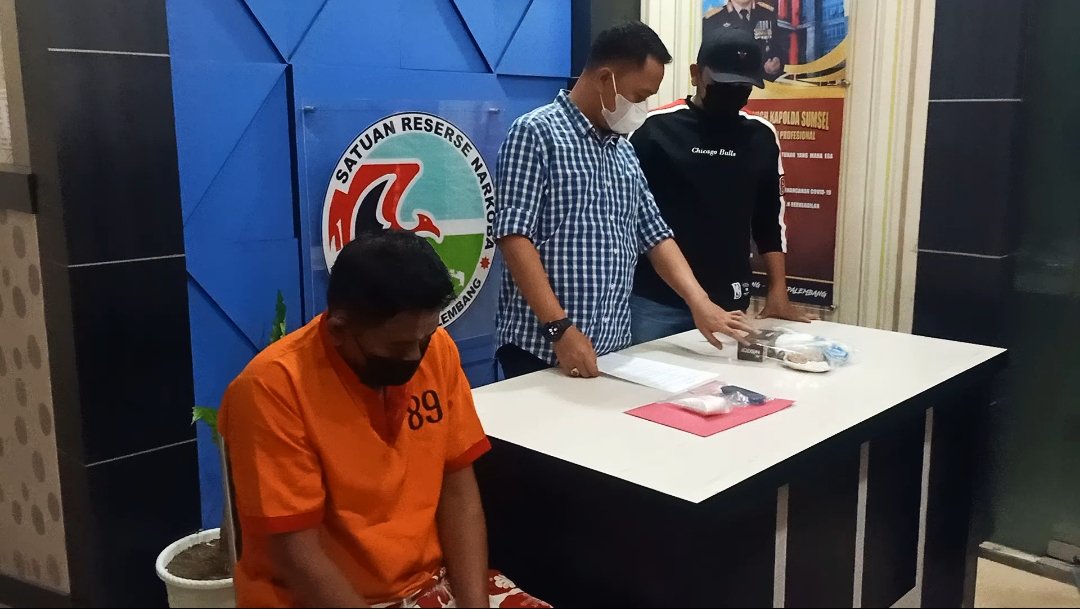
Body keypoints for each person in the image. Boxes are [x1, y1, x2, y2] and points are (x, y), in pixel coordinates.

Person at [219, 231, 547, 608]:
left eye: (425, 338)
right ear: (339, 330)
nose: (416, 357)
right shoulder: (272, 388)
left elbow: (458, 490)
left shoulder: (437, 352)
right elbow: (295, 554)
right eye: (398, 347)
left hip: (426, 584)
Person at [494, 21, 754, 380]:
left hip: (611, 348)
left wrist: (700, 301)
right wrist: (559, 328)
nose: (642, 108)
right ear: (606, 79)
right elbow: (514, 238)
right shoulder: (536, 133)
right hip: (542, 347)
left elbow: (655, 235)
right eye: (639, 96)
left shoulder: (623, 151)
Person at [629, 27, 813, 345]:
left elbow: (770, 220)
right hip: (657, 303)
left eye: (744, 86)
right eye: (724, 84)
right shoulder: (652, 130)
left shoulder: (761, 135)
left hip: (731, 301)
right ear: (695, 74)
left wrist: (778, 291)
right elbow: (631, 219)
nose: (734, 93)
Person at [703, 0, 788, 81]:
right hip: (729, 85)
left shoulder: (767, 14)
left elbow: (778, 48)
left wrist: (775, 65)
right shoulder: (713, 20)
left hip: (762, 83)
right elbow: (707, 61)